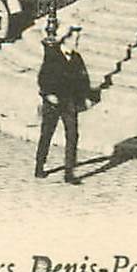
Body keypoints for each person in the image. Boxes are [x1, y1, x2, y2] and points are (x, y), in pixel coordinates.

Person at [33, 18, 98, 184]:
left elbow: (83, 80)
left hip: (69, 102)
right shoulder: (52, 55)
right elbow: (43, 78)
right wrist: (48, 95)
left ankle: (69, 172)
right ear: (65, 39)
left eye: (78, 40)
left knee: (72, 134)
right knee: (47, 133)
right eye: (74, 39)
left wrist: (86, 97)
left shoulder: (76, 58)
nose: (76, 43)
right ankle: (39, 165)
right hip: (53, 102)